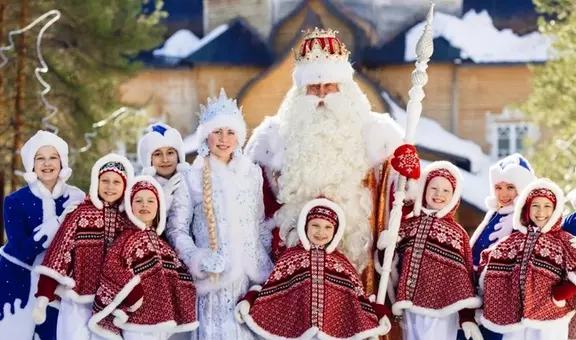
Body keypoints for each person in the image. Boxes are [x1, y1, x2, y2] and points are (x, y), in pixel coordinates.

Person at [244, 28, 420, 292]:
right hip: (292, 269)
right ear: (301, 91)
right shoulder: (270, 140)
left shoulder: (378, 135)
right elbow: (250, 202)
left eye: (330, 86)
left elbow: (404, 194)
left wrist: (406, 169)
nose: (323, 94)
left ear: (345, 88)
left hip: (357, 257)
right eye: (314, 87)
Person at [166, 88, 273, 339]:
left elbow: (260, 224)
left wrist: (269, 267)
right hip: (214, 280)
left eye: (230, 132)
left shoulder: (252, 174)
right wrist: (197, 257)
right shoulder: (190, 177)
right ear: (206, 136)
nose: (224, 139)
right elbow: (177, 229)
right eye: (217, 132)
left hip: (252, 280)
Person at [236, 197, 392, 339]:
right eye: (315, 225)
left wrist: (377, 312)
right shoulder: (291, 258)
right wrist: (250, 300)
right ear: (305, 226)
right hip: (296, 330)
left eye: (327, 227)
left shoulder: (341, 262)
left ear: (336, 231)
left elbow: (357, 295)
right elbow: (271, 287)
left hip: (333, 330)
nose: (321, 232)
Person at [32, 153, 134, 340]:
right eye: (105, 180)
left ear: (125, 186)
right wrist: (45, 295)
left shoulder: (129, 220)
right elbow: (59, 251)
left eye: (116, 182)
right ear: (96, 181)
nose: (110, 187)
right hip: (77, 300)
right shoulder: (81, 213)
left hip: (113, 302)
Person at [380, 161, 482, 340]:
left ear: (454, 196)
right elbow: (390, 265)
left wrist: (466, 316)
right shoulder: (407, 226)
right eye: (434, 188)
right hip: (409, 305)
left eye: (446, 191)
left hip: (443, 310)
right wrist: (384, 247)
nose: (438, 194)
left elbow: (465, 277)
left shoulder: (457, 234)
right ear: (424, 190)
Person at [88, 176, 198, 340]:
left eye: (151, 201)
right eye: (138, 200)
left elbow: (178, 274)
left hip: (165, 321)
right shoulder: (127, 239)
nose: (144, 204)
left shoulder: (162, 244)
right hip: (138, 322)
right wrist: (133, 294)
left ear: (159, 206)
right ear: (130, 206)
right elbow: (111, 267)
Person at [0, 131, 84, 340]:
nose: (47, 164)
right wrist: (58, 223)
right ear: (32, 164)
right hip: (17, 281)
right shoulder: (15, 202)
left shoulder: (76, 197)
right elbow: (21, 249)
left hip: (58, 284)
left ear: (62, 161)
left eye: (53, 157)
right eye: (40, 158)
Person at [479, 178, 576, 340]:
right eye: (535, 206)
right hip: (515, 315)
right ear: (526, 208)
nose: (541, 212)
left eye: (547, 206)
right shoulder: (514, 241)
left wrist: (565, 291)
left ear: (555, 210)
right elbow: (489, 265)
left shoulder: (563, 240)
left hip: (551, 316)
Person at [137, 123, 189, 211]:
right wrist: (162, 198)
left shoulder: (193, 181)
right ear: (149, 160)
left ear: (178, 156)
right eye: (158, 154)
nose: (165, 160)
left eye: (170, 153)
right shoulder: (140, 190)